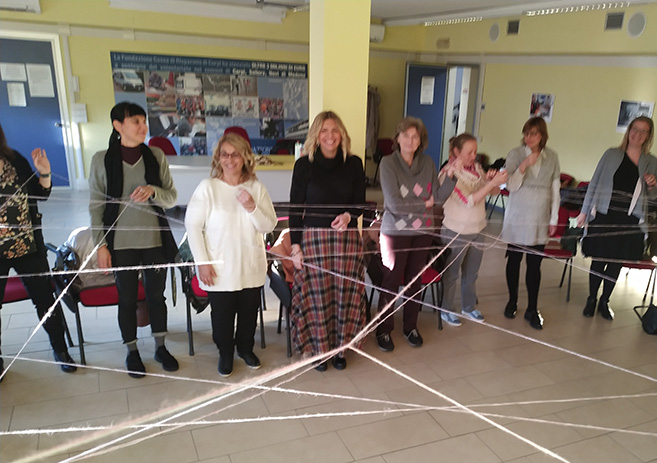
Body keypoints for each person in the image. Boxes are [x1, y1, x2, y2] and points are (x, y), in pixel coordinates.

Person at [89, 101, 179, 378]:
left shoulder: (155, 155)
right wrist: (101, 245)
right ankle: (132, 351)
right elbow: (96, 206)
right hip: (121, 243)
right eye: (136, 122)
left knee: (156, 296)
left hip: (154, 240)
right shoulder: (101, 159)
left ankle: (161, 346)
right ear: (118, 126)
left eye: (144, 121)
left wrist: (153, 191)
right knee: (127, 299)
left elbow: (172, 196)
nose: (143, 127)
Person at [185, 132, 277, 377]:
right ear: (218, 158)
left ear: (245, 157)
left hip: (250, 266)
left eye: (235, 154)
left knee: (248, 313)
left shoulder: (256, 188)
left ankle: (245, 348)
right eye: (224, 154)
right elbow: (192, 226)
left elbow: (268, 225)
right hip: (220, 268)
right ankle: (225, 352)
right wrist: (202, 263)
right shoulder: (209, 188)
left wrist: (251, 207)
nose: (229, 159)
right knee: (223, 317)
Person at [289, 111, 367, 371]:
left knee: (344, 296)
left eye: (335, 130)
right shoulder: (304, 165)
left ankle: (341, 349)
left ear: (342, 133)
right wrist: (295, 246)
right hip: (313, 240)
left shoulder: (354, 163)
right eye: (324, 131)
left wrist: (348, 215)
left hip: (345, 241)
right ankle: (319, 350)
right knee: (318, 298)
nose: (330, 136)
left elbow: (359, 204)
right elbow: (295, 208)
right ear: (316, 135)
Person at [0, 122, 76, 381]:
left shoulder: (15, 161)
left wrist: (45, 174)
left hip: (27, 247)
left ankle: (61, 350)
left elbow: (40, 194)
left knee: (46, 301)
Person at [376, 117, 456, 351]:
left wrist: (451, 177)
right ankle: (383, 329)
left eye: (415, 136)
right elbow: (395, 205)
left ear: (421, 140)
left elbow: (438, 198)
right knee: (391, 281)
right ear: (397, 138)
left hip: (423, 231)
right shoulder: (388, 164)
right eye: (406, 135)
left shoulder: (428, 163)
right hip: (395, 232)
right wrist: (425, 204)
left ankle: (410, 326)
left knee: (415, 281)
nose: (411, 140)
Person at [577, 116, 657, 320]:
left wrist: (652, 184)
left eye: (644, 131)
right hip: (605, 215)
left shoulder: (651, 161)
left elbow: (655, 194)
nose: (638, 134)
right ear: (629, 130)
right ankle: (591, 299)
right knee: (599, 259)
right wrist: (584, 211)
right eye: (635, 129)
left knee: (616, 262)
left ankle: (605, 301)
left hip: (630, 218)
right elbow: (594, 183)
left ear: (648, 136)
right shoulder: (611, 154)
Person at [439, 133, 507, 326]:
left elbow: (492, 192)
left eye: (475, 152)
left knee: (472, 272)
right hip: (455, 229)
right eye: (469, 152)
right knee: (452, 273)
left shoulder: (477, 168)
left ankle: (468, 306)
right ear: (456, 152)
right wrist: (490, 184)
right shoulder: (448, 173)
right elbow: (469, 200)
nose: (474, 156)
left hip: (478, 228)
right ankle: (446, 309)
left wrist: (493, 181)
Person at [501, 117, 561, 329]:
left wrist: (554, 218)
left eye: (534, 133)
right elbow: (511, 186)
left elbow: (555, 190)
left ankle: (532, 308)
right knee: (514, 259)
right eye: (526, 133)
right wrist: (524, 165)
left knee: (534, 264)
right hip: (518, 213)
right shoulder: (515, 154)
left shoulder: (552, 157)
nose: (529, 137)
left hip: (539, 216)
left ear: (542, 135)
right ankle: (512, 301)